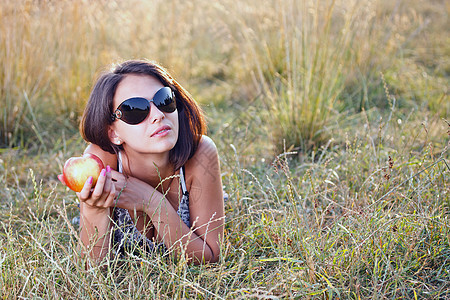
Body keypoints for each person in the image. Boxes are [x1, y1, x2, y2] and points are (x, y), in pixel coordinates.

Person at [59, 59, 225, 265]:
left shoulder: (199, 152)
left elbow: (211, 256)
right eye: (135, 110)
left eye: (164, 99)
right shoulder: (101, 163)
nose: (158, 115)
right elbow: (92, 270)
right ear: (113, 133)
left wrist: (152, 202)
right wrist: (94, 209)